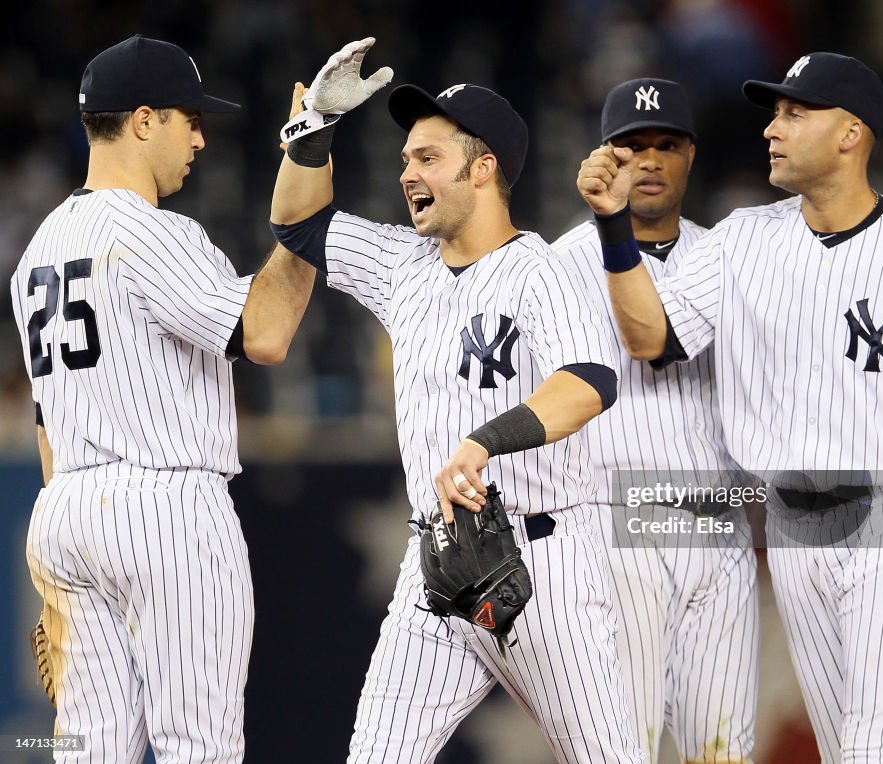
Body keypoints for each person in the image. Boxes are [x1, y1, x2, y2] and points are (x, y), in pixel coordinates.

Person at [576, 51, 883, 762]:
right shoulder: (742, 240)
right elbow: (649, 339)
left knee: (877, 748)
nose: (771, 130)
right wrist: (611, 228)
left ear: (849, 134)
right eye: (774, 113)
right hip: (792, 519)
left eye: (794, 113)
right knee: (845, 747)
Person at [271, 38, 644, 763]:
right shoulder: (402, 264)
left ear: (483, 170)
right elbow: (298, 224)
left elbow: (590, 383)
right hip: (434, 566)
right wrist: (310, 133)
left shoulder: (541, 271)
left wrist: (485, 440)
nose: (407, 171)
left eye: (428, 158)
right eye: (407, 157)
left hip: (543, 563)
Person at [11, 35, 316, 762]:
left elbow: (47, 424)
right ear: (143, 120)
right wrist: (306, 217)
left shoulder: (37, 249)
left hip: (64, 515)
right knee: (199, 748)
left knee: (90, 751)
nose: (201, 137)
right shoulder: (151, 231)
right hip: (166, 508)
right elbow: (266, 333)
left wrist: (86, 530)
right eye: (189, 118)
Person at [552, 78, 757, 763]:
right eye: (631, 145)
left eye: (665, 143)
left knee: (723, 750)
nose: (648, 159)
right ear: (603, 156)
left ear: (689, 155)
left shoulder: (728, 253)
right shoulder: (560, 263)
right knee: (618, 748)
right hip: (611, 528)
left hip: (716, 523)